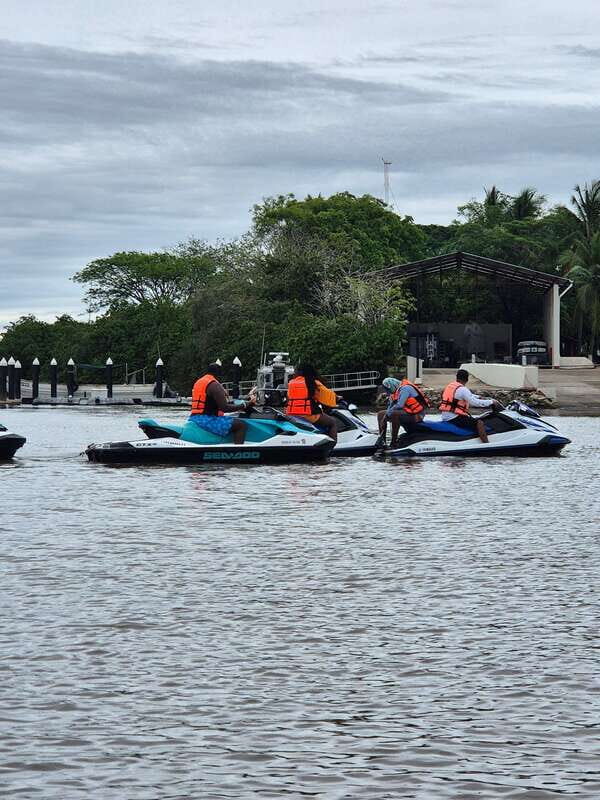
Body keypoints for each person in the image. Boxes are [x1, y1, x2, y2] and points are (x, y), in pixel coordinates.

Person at [189, 362, 254, 444]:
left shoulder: (200, 382)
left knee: (231, 419)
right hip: (207, 419)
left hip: (195, 417)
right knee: (241, 425)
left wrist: (243, 402)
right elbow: (225, 408)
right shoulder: (214, 385)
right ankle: (237, 451)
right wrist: (244, 405)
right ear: (218, 374)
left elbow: (212, 402)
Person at [439, 368, 501, 444]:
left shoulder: (451, 386)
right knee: (479, 423)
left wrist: (480, 397)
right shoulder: (462, 389)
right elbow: (475, 403)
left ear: (457, 377)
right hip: (454, 417)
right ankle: (486, 444)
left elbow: (469, 396)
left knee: (473, 419)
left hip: (446, 415)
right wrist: (491, 402)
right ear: (467, 379)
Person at [285, 364, 340, 442]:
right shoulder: (312, 382)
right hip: (308, 415)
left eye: (295, 371)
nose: (294, 373)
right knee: (332, 422)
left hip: (291, 414)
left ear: (300, 372)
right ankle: (332, 446)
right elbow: (326, 395)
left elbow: (288, 399)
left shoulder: (291, 383)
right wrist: (337, 398)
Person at [378, 376, 429, 446]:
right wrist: (384, 417)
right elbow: (391, 406)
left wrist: (386, 417)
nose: (388, 392)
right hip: (408, 412)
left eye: (388, 390)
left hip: (417, 415)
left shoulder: (405, 388)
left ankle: (393, 442)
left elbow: (399, 405)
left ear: (392, 385)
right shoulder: (395, 391)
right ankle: (382, 442)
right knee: (380, 414)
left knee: (394, 413)